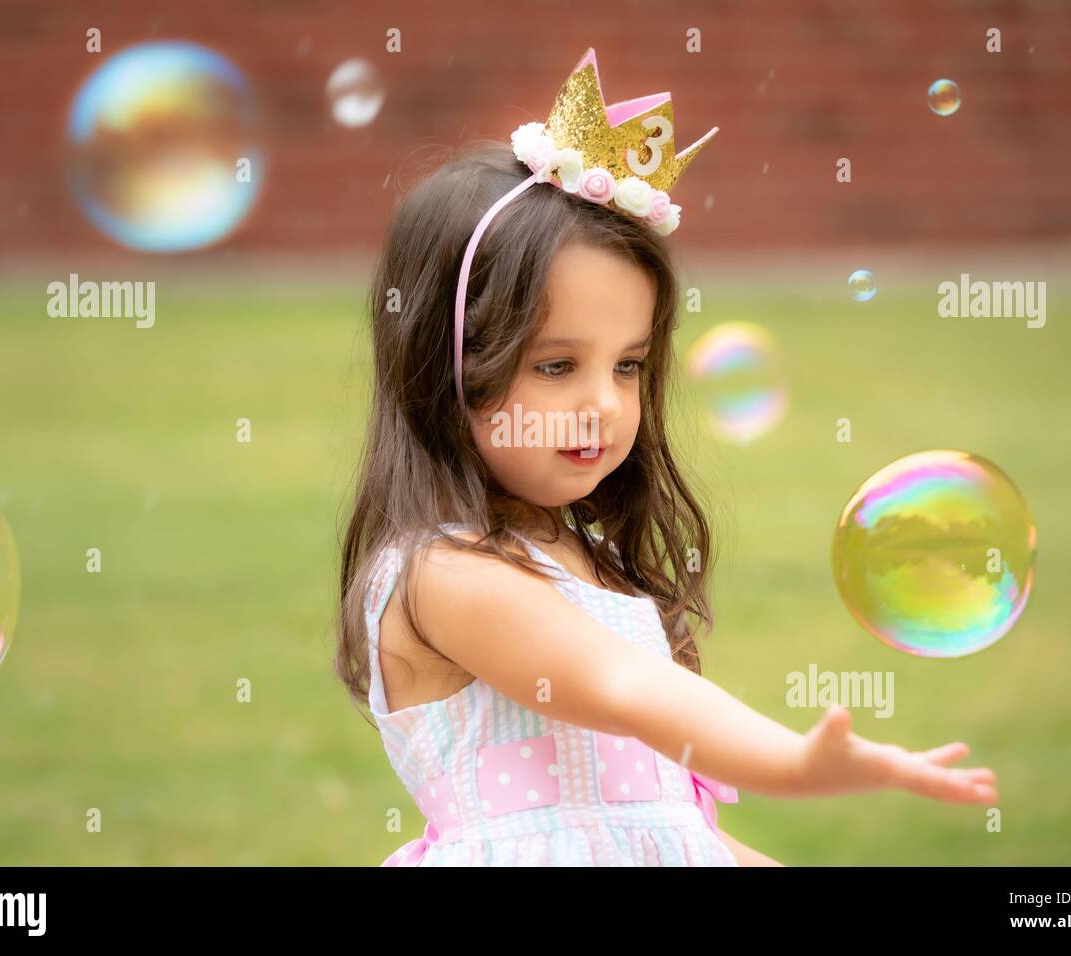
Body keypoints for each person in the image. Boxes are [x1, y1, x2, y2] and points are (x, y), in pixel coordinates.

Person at [334, 48, 998, 866]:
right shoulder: (448, 575)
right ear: (447, 367)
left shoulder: (593, 561)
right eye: (555, 365)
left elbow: (666, 831)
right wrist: (792, 763)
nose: (604, 406)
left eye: (628, 365)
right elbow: (631, 691)